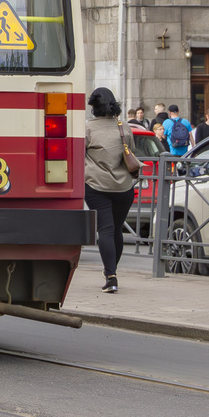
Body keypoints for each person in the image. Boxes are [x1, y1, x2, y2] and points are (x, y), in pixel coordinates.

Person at [84, 87, 138, 294]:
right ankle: (113, 272)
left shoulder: (88, 128)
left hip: (96, 186)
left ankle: (111, 276)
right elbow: (130, 152)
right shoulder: (123, 127)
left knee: (104, 230)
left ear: (94, 106)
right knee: (116, 229)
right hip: (124, 187)